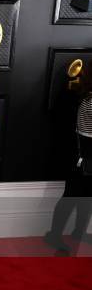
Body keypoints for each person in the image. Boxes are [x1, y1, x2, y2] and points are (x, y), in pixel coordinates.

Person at [45, 58, 92, 253]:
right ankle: (54, 236)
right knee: (72, 196)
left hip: (85, 152)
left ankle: (78, 232)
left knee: (87, 196)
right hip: (84, 154)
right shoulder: (89, 100)